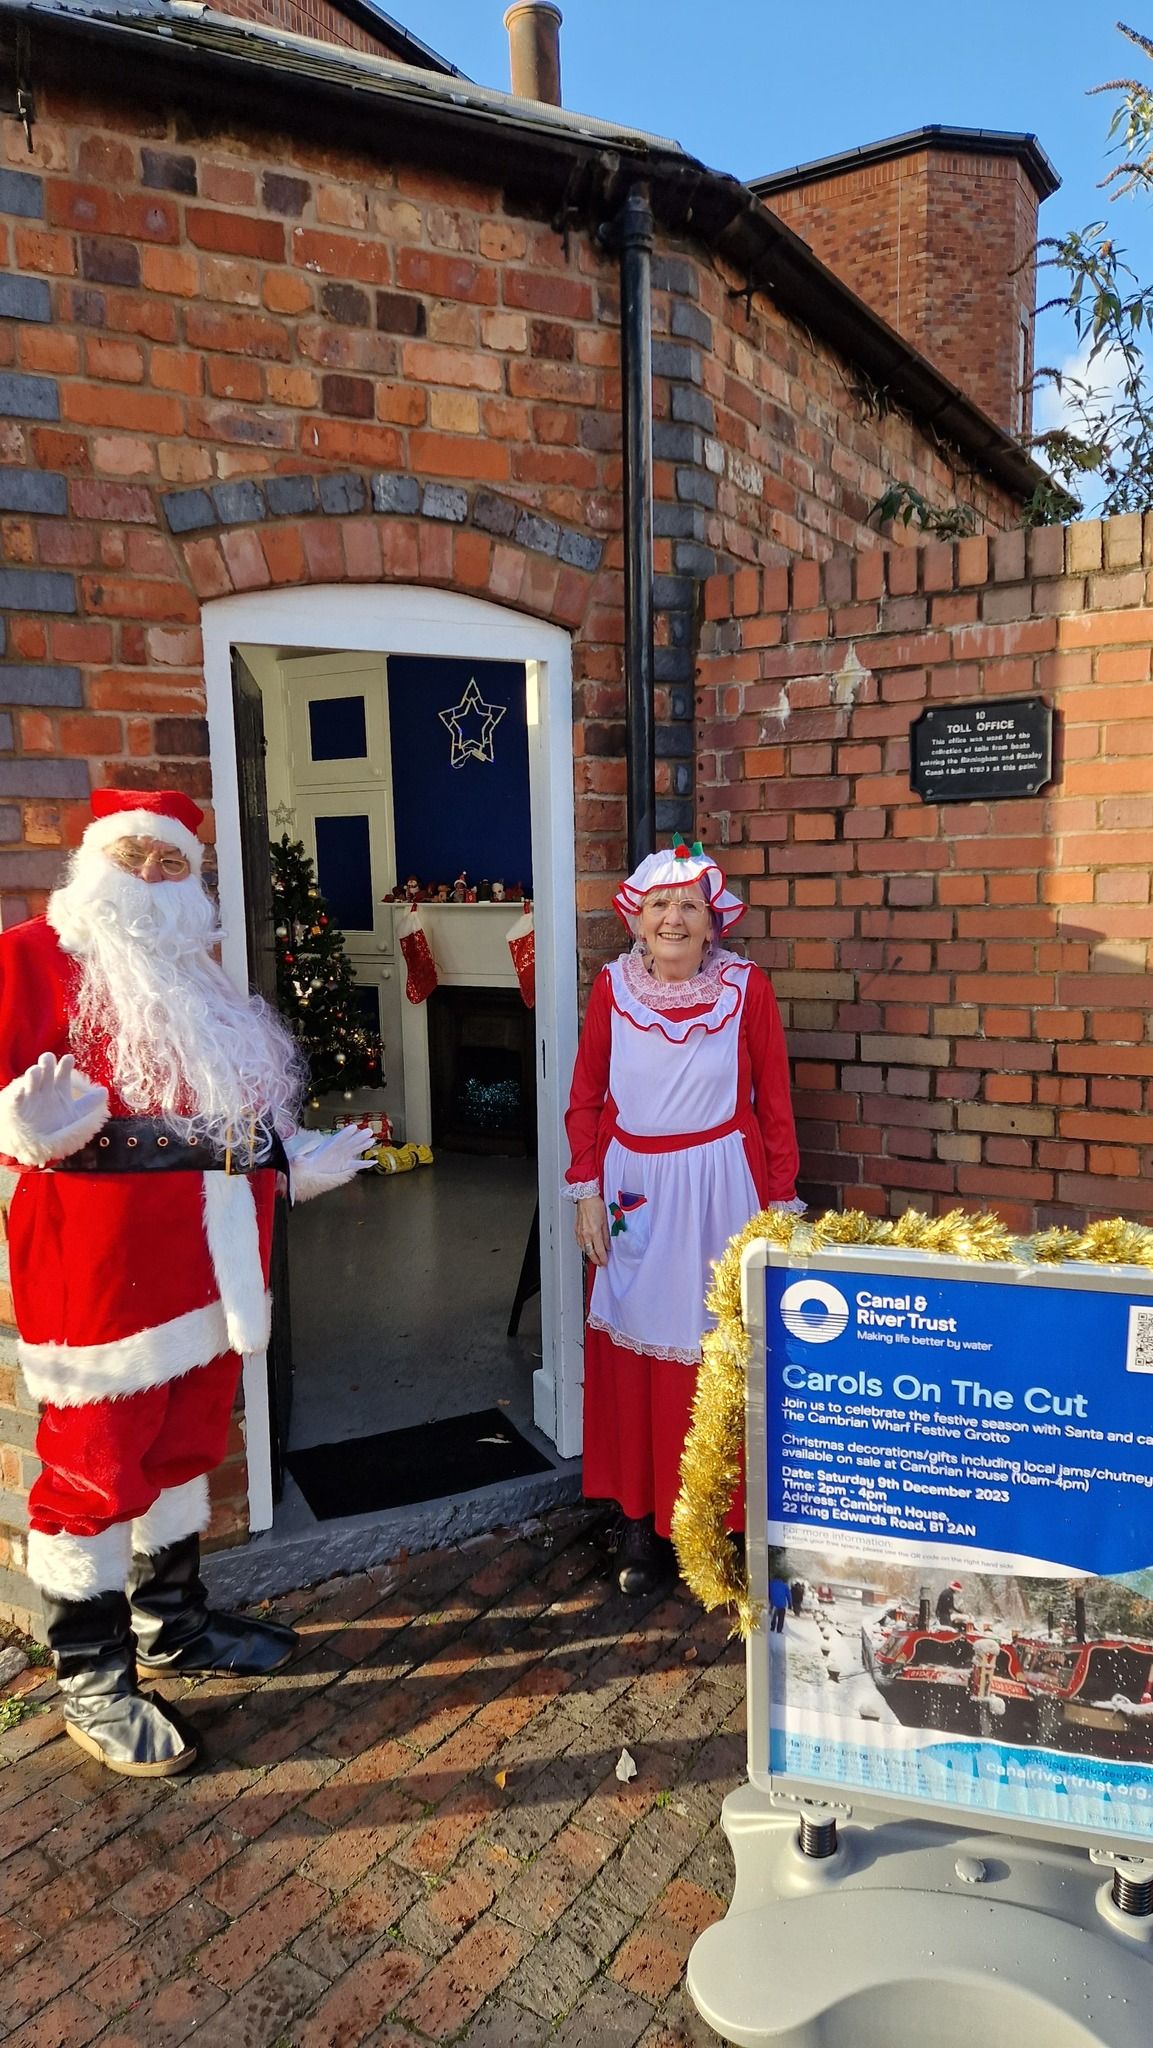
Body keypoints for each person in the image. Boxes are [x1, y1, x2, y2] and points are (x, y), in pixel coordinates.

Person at [0, 787, 374, 1777]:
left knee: (181, 1448)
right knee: (91, 1474)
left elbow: (225, 1121)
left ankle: (172, 1623)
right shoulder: (29, 961)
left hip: (209, 1274)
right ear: (95, 861)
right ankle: (90, 1676)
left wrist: (292, 1160)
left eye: (173, 863)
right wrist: (19, 1126)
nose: (156, 878)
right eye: (137, 857)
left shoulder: (199, 975)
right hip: (100, 1290)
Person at [564, 838, 801, 1596]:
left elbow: (775, 1104)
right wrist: (586, 1191)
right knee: (636, 1342)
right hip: (634, 1191)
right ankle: (639, 1520)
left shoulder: (745, 988)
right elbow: (586, 1099)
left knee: (717, 1350)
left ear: (711, 924)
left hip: (721, 1187)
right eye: (659, 904)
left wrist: (778, 1206)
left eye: (688, 906)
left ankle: (715, 1522)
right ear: (636, 921)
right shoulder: (612, 989)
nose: (673, 918)